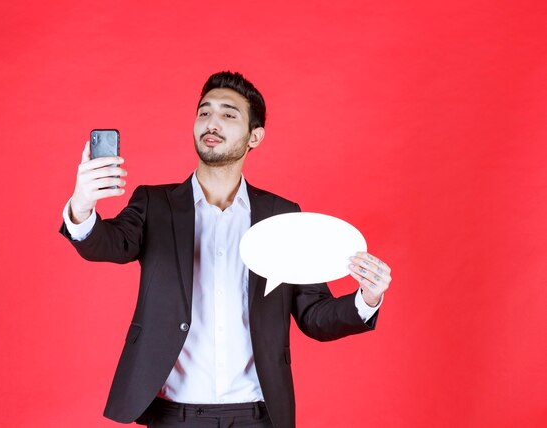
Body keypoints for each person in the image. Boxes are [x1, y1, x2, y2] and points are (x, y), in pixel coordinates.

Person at [60, 71, 392, 428]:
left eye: (228, 114)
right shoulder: (155, 204)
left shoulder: (282, 215)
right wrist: (82, 205)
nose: (211, 123)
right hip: (174, 415)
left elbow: (313, 315)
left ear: (255, 136)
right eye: (204, 112)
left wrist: (366, 298)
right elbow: (108, 244)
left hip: (257, 416)